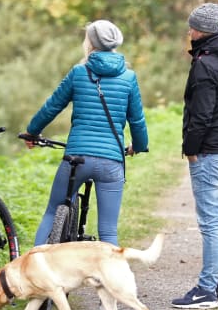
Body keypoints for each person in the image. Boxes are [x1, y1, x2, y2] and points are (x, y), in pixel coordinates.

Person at [24, 19, 149, 248]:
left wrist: (33, 132)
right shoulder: (129, 78)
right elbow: (137, 120)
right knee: (108, 230)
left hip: (77, 159)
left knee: (53, 211)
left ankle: (33, 271)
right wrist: (139, 146)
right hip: (112, 161)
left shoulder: (79, 73)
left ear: (90, 43)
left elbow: (52, 106)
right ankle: (113, 281)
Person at [171, 3, 218, 309]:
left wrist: (191, 149)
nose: (188, 32)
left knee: (211, 224)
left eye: (191, 27)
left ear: (201, 30)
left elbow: (200, 114)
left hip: (210, 154)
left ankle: (205, 290)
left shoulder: (204, 64)